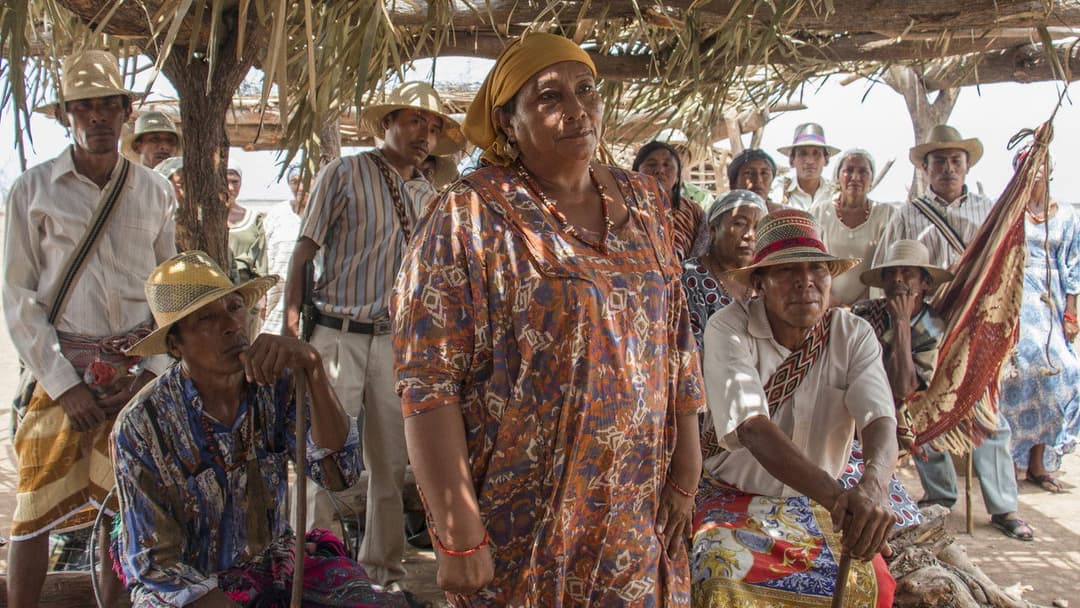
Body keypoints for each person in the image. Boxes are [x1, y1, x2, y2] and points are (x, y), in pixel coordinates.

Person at [393, 32, 703, 605]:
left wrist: (688, 454)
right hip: (525, 510)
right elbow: (427, 381)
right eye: (549, 97)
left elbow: (676, 333)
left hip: (636, 497)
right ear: (508, 121)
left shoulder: (646, 201)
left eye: (587, 90)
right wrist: (458, 527)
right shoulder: (467, 214)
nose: (577, 109)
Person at [111, 251, 406, 608]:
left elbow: (339, 475)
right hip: (188, 587)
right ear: (175, 345)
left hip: (274, 568)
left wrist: (312, 369)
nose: (232, 325)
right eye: (206, 317)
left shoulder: (276, 386)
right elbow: (157, 567)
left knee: (365, 600)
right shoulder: (143, 424)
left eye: (234, 307)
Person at [2, 50, 177, 608]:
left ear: (127, 113)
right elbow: (18, 297)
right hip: (61, 380)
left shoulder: (154, 191)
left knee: (119, 514)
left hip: (130, 380)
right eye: (85, 107)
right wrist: (64, 383)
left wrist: (148, 373)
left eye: (109, 105)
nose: (98, 117)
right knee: (33, 513)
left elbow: (167, 295)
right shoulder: (33, 190)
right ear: (65, 116)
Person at [283, 80, 465, 587]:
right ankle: (311, 570)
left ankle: (382, 572)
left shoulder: (430, 195)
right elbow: (303, 253)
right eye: (414, 121)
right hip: (335, 335)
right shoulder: (343, 172)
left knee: (391, 462)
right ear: (387, 123)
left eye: (432, 127)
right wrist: (292, 331)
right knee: (318, 457)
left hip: (394, 341)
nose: (424, 134)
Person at [694, 209, 901, 607]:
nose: (805, 281)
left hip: (820, 502)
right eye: (787, 270)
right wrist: (841, 500)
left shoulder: (853, 334)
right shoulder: (728, 328)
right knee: (719, 580)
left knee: (873, 587)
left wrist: (874, 487)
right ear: (759, 282)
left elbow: (879, 417)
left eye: (816, 270)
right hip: (737, 495)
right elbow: (752, 426)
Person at [877, 124, 1032, 540]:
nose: (947, 168)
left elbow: (1007, 270)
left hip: (976, 328)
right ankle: (940, 494)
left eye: (955, 161)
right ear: (925, 169)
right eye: (939, 161)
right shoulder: (905, 215)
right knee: (921, 407)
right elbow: (887, 269)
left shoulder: (988, 212)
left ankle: (1003, 506)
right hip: (925, 321)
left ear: (966, 166)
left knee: (986, 412)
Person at [998, 146, 1080, 494]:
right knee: (1018, 375)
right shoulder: (1009, 214)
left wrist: (1071, 312)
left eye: (1039, 166)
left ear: (1048, 169)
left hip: (1050, 300)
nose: (1033, 173)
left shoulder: (1066, 217)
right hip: (1016, 301)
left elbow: (1073, 265)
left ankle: (1039, 462)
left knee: (1063, 372)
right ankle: (1010, 467)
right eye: (1026, 167)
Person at [852, 239, 954, 451]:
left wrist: (901, 322)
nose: (897, 278)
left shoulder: (931, 329)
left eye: (907, 272)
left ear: (925, 283)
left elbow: (903, 388)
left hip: (905, 414)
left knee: (933, 449)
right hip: (855, 405)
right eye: (890, 273)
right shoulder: (862, 313)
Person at [681, 189, 766, 351]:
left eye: (757, 227)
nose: (750, 235)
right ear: (713, 230)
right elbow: (693, 351)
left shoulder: (766, 279)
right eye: (739, 224)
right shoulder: (690, 276)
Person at [810, 148, 895, 306]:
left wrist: (861, 305)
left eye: (863, 171)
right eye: (848, 170)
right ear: (838, 176)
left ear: (871, 179)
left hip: (872, 307)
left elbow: (889, 266)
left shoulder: (887, 214)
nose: (855, 177)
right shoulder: (820, 212)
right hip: (825, 305)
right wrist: (834, 303)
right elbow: (811, 264)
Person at [633, 140, 708, 260]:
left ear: (678, 177)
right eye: (651, 164)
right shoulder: (625, 207)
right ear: (635, 172)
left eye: (667, 165)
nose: (660, 170)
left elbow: (702, 252)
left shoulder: (693, 211)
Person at [775, 122, 839, 210]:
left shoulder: (835, 194)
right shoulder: (778, 192)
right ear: (792, 160)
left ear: (826, 159)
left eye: (816, 154)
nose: (810, 161)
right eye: (803, 154)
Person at [226, 167, 268, 283]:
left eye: (235, 182)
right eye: (225, 181)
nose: (230, 187)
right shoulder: (200, 219)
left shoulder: (253, 219)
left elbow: (261, 262)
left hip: (245, 291)